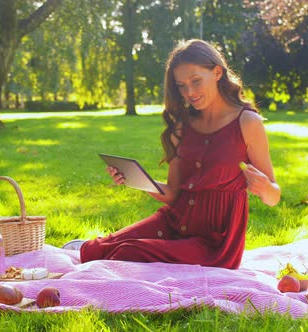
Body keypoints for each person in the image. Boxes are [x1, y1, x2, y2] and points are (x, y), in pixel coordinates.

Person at [63, 39, 281, 269]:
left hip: (214, 243)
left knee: (128, 252)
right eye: (181, 85)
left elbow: (274, 196)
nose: (190, 92)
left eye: (196, 81)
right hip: (175, 220)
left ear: (217, 72)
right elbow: (172, 193)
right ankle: (91, 252)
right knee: (97, 250)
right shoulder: (182, 125)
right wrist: (137, 180)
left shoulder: (247, 122)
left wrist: (265, 188)